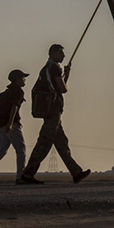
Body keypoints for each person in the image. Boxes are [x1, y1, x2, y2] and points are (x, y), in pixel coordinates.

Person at [20, 44, 90, 184]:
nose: (63, 55)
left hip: (51, 110)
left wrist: (66, 74)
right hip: (53, 110)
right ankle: (28, 174)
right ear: (52, 53)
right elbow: (62, 89)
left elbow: (57, 86)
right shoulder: (55, 68)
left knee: (61, 143)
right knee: (44, 142)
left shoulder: (48, 68)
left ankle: (76, 172)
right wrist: (65, 76)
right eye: (60, 53)